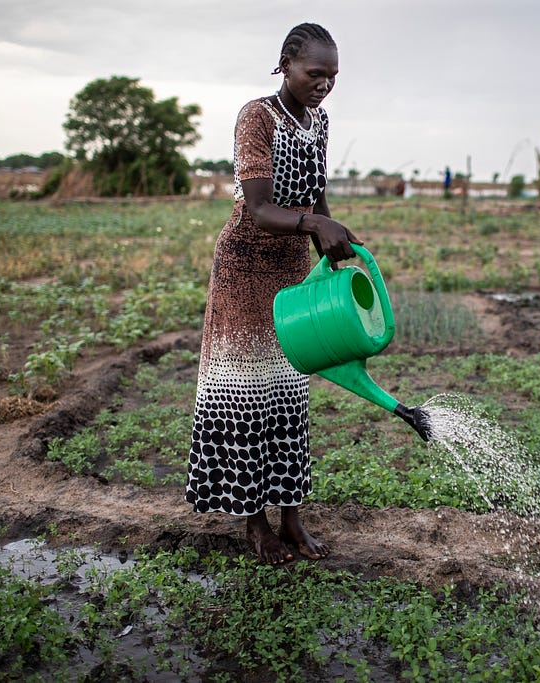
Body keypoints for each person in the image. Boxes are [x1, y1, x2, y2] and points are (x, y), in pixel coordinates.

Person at [185, 22, 362, 564]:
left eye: (332, 77)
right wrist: (314, 224)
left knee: (288, 389)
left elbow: (316, 191)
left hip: (292, 271)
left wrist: (332, 246)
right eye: (315, 73)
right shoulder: (256, 117)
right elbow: (260, 209)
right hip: (245, 266)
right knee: (246, 394)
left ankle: (292, 518)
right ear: (286, 63)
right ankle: (254, 523)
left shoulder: (320, 121)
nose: (324, 85)